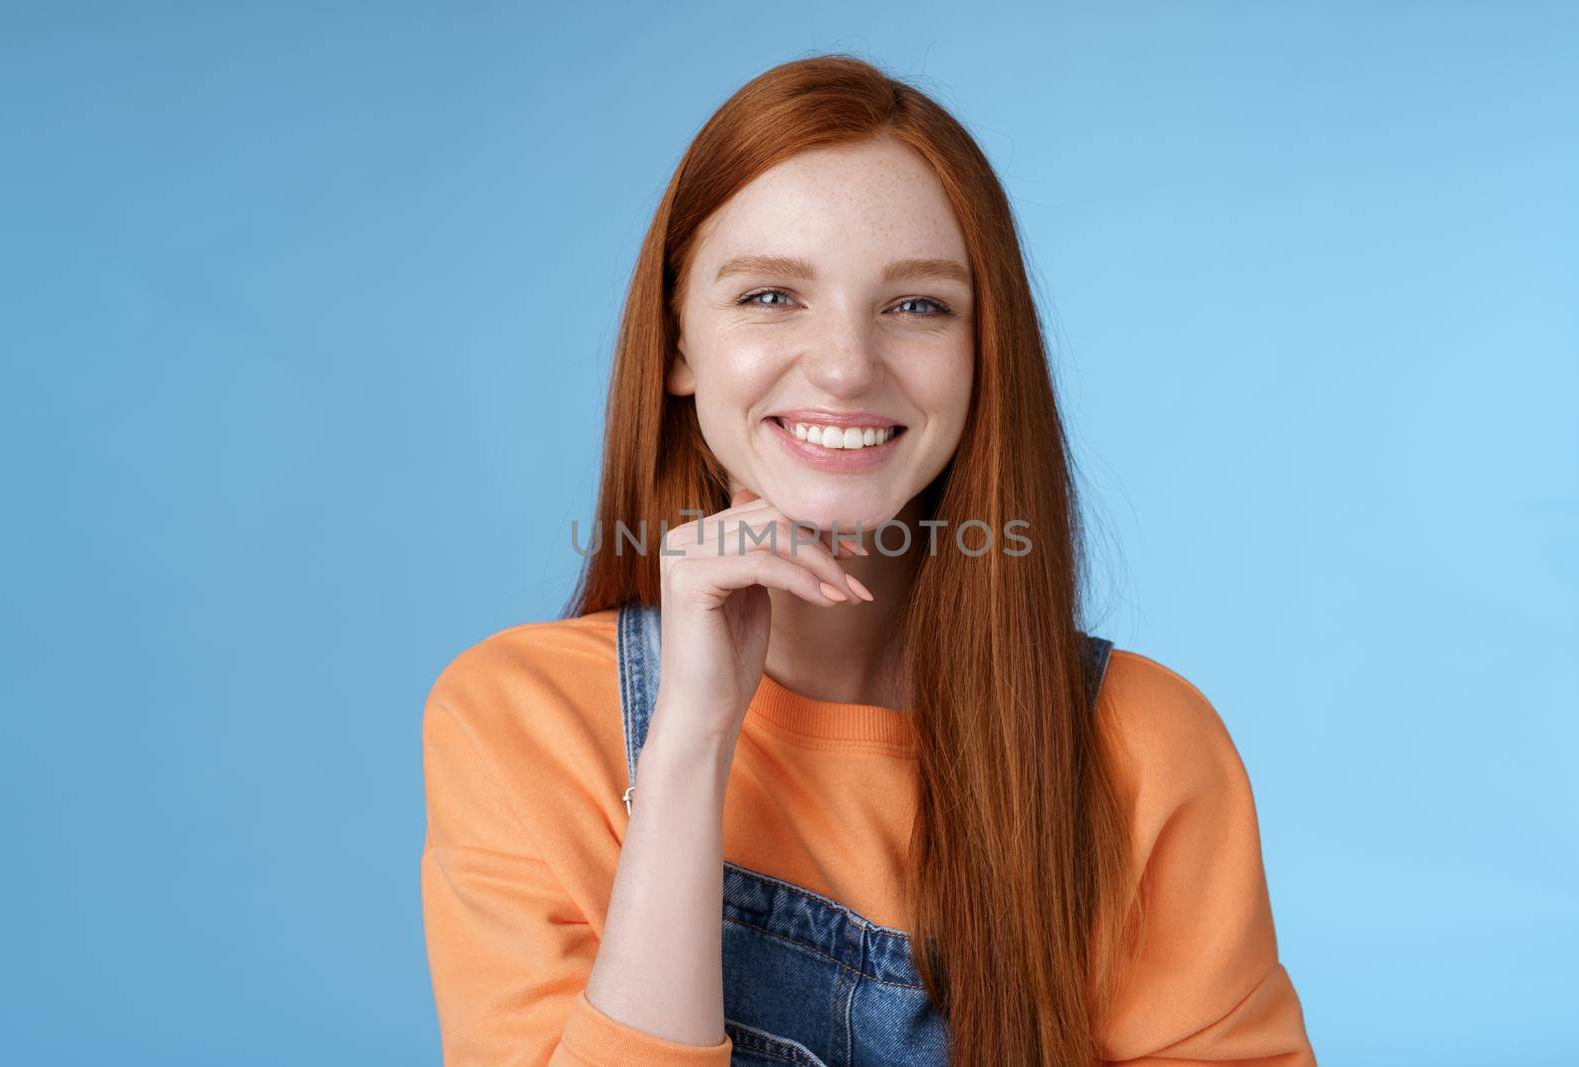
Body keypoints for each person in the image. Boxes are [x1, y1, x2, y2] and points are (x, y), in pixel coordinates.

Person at [419, 53, 1316, 1066]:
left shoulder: (1148, 749)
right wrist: (689, 743)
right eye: (769, 296)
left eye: (918, 305)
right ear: (679, 346)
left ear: (986, 356)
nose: (845, 365)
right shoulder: (518, 722)